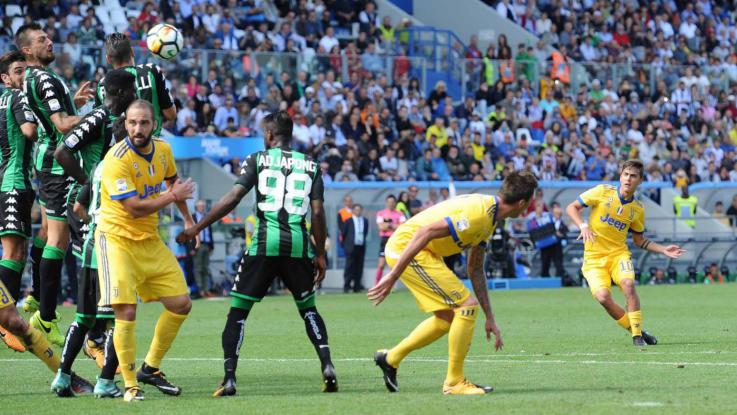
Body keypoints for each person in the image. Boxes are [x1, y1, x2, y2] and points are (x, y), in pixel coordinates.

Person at [176, 111, 338, 397]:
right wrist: (320, 253)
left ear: (268, 135)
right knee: (309, 309)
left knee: (238, 312)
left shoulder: (258, 160)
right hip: (298, 245)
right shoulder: (310, 165)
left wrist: (197, 227)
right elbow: (316, 212)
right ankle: (327, 365)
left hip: (264, 243)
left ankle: (229, 378)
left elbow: (233, 197)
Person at [368, 171, 539, 395]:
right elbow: (425, 231)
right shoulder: (479, 215)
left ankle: (390, 359)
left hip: (424, 252)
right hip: (407, 250)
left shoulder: (490, 218)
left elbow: (475, 269)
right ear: (522, 203)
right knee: (466, 306)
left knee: (448, 317)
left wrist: (490, 317)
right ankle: (454, 382)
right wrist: (392, 276)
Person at [96, 100, 198, 402]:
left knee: (181, 304)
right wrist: (172, 196)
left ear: (154, 125)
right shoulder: (117, 158)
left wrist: (190, 222)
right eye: (132, 123)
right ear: (125, 123)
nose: (137, 129)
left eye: (143, 123)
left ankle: (150, 368)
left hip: (148, 239)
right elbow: (134, 208)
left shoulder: (163, 150)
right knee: (126, 310)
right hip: (116, 239)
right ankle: (130, 385)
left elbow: (173, 183)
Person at [50, 68, 137, 397]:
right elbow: (62, 151)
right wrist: (91, 184)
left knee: (94, 309)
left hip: (98, 210)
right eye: (131, 91)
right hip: (90, 210)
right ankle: (104, 376)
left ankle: (69, 372)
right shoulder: (99, 118)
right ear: (121, 92)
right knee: (116, 305)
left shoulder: (120, 123)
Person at [16, 23, 95, 345]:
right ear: (27, 50)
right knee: (62, 240)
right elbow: (62, 125)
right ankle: (47, 315)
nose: (49, 42)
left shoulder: (38, 78)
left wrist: (75, 106)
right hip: (57, 168)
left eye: (48, 37)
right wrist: (101, 114)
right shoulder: (44, 78)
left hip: (48, 165)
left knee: (53, 237)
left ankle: (41, 306)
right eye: (41, 40)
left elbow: (56, 119)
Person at [566, 160, 686, 347]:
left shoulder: (637, 209)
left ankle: (637, 338)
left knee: (629, 284)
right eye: (626, 175)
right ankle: (637, 331)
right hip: (593, 259)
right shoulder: (602, 191)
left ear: (640, 180)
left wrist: (663, 249)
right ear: (620, 176)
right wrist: (583, 225)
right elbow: (571, 207)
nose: (628, 179)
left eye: (633, 176)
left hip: (618, 255)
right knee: (603, 298)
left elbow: (639, 241)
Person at [0, 51, 38, 352]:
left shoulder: (5, 99)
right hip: (12, 182)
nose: (23, 75)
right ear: (5, 78)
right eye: (17, 71)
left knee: (18, 250)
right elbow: (29, 130)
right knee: (13, 250)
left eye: (25, 70)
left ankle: (7, 314)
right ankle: (5, 319)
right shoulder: (16, 97)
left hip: (14, 181)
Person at [95, 33, 176, 137]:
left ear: (108, 59)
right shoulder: (151, 71)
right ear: (132, 52)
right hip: (150, 146)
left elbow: (99, 125)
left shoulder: (102, 84)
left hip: (117, 150)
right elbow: (171, 115)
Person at [526, 203, 565, 278]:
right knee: (545, 263)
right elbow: (532, 231)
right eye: (538, 206)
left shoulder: (548, 215)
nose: (540, 208)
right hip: (544, 245)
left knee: (558, 262)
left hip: (554, 243)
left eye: (541, 206)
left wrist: (556, 232)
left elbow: (556, 221)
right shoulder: (532, 219)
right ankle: (545, 278)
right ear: (535, 208)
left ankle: (561, 279)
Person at [374, 195, 406, 284]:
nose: (391, 204)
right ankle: (377, 284)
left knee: (393, 264)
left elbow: (402, 227)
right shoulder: (381, 213)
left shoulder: (400, 214)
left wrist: (388, 225)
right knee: (381, 264)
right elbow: (381, 227)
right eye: (389, 202)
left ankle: (390, 285)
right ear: (386, 202)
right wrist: (394, 225)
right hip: (385, 239)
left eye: (392, 202)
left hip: (395, 240)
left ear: (395, 203)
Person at [342, 203, 368, 293]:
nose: (358, 211)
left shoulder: (365, 220)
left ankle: (357, 286)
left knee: (359, 267)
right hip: (350, 247)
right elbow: (344, 234)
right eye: (356, 209)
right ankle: (346, 286)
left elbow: (365, 233)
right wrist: (345, 245)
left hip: (360, 246)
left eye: (359, 209)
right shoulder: (348, 221)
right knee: (349, 267)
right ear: (353, 211)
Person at [192, 199, 214, 298]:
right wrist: (191, 248)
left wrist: (211, 245)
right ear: (197, 207)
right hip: (197, 245)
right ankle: (200, 289)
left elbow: (210, 231)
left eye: (203, 206)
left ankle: (206, 289)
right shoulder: (192, 217)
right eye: (201, 206)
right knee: (198, 268)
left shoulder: (207, 217)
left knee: (206, 268)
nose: (202, 208)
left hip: (206, 245)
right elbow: (189, 232)